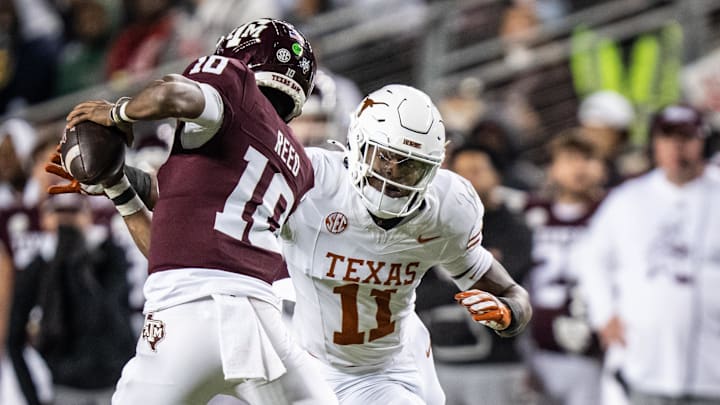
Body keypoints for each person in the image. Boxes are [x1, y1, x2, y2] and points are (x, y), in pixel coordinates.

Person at [51, 84, 533, 404]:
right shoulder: (315, 181)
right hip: (303, 363)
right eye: (387, 160)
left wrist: (508, 314)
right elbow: (203, 202)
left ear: (433, 169)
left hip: (388, 371)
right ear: (360, 146)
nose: (395, 176)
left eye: (410, 167)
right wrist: (119, 179)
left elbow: (514, 295)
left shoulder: (447, 208)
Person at [56, 18, 338, 405]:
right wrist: (118, 184)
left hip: (185, 315)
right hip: (260, 323)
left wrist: (118, 114)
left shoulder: (232, 82)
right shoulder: (298, 164)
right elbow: (178, 224)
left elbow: (172, 93)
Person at [573, 104, 720, 405]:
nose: (677, 147)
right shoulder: (628, 198)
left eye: (686, 137)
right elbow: (590, 258)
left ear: (702, 141)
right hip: (645, 361)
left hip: (712, 367)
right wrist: (604, 313)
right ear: (655, 144)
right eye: (668, 137)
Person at [416, 142, 534, 405]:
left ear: (498, 175)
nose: (468, 179)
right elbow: (415, 292)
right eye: (462, 172)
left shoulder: (514, 227)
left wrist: (456, 282)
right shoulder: (433, 224)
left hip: (494, 363)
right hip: (440, 360)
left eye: (478, 170)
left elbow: (508, 290)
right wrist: (467, 283)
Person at [8, 193, 135, 405]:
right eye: (59, 212)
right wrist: (32, 398)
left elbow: (110, 314)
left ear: (88, 215)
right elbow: (14, 339)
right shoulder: (38, 268)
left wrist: (80, 262)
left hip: (114, 384)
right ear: (44, 218)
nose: (66, 220)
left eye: (73, 211)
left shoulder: (109, 255)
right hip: (66, 387)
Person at [523, 133, 605, 405]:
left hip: (593, 353)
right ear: (553, 168)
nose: (579, 168)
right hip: (537, 349)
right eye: (570, 160)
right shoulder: (531, 213)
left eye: (587, 159)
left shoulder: (611, 213)